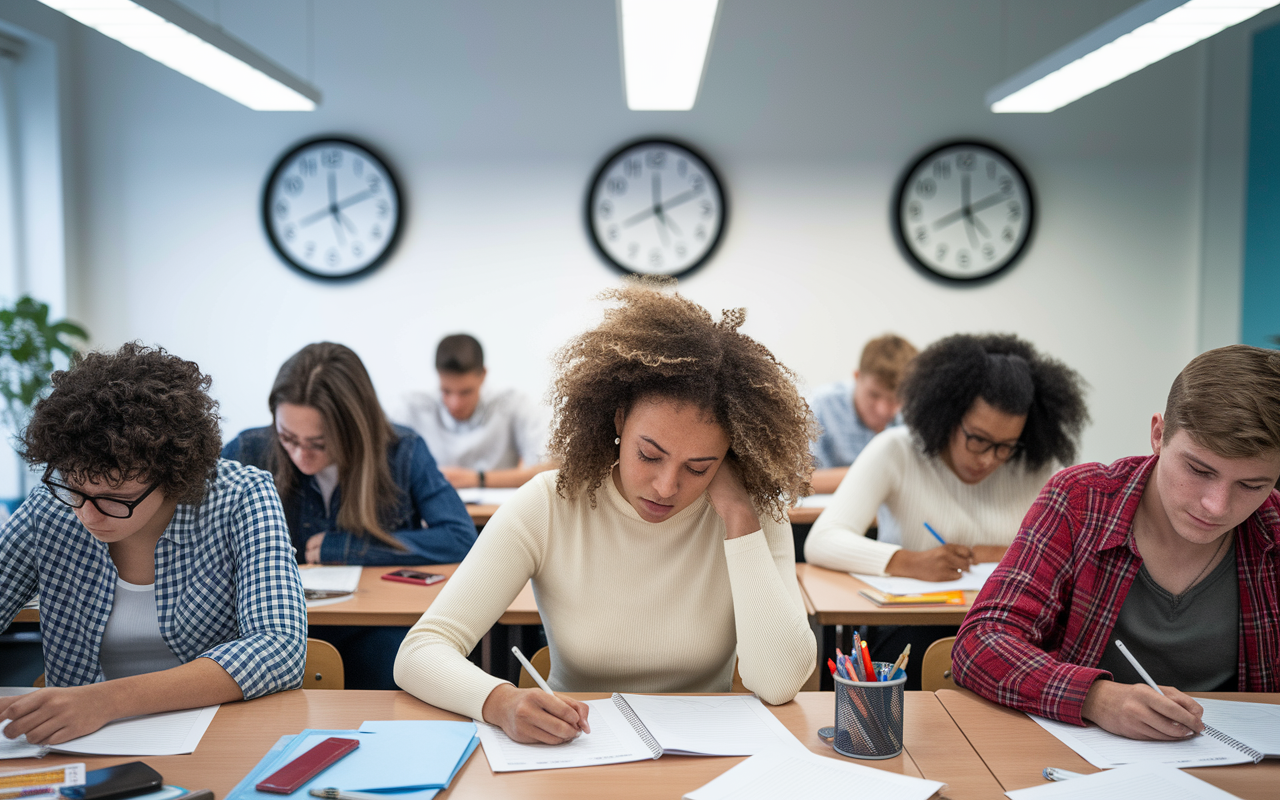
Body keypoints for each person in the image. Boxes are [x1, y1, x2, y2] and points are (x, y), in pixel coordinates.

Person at [395, 284, 818, 745]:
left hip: (705, 757)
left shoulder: (753, 512)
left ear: (729, 457)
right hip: (575, 750)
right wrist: (498, 701)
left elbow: (778, 684)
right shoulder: (550, 503)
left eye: (699, 467)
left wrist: (739, 515)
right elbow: (420, 651)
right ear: (619, 421)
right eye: (649, 455)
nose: (666, 487)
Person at [953, 345, 1280, 741]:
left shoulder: (1273, 525)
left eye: (1251, 485)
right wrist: (1095, 698)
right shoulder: (1080, 500)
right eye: (1198, 469)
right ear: (1158, 435)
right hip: (1085, 760)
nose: (1216, 505)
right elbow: (980, 641)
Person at [0, 343, 305, 746]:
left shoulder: (240, 496)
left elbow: (279, 648)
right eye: (75, 488)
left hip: (216, 738)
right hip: (74, 748)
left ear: (174, 475)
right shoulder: (48, 508)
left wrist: (104, 702)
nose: (89, 514)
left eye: (117, 497)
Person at [804, 334, 1088, 688]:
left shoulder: (1033, 465)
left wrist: (989, 553)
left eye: (1004, 447)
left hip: (1011, 633)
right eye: (978, 440)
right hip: (914, 631)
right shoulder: (898, 451)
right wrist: (909, 562)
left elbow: (1073, 559)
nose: (988, 458)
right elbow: (821, 540)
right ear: (948, 414)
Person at [222, 342, 477, 689]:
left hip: (374, 629)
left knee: (402, 667)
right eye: (288, 437)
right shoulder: (248, 451)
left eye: (319, 443)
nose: (300, 455)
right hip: (272, 632)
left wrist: (348, 549)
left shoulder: (402, 450)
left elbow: (460, 537)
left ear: (355, 428)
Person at [401, 334, 555, 489]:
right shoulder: (413, 408)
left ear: (483, 375)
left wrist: (477, 479)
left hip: (497, 512)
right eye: (446, 391)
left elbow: (550, 469)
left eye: (465, 392)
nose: (455, 404)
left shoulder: (512, 404)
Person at [809, 334, 918, 495]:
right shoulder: (820, 406)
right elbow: (797, 482)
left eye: (896, 399)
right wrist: (877, 475)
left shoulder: (913, 413)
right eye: (874, 395)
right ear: (857, 377)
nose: (883, 410)